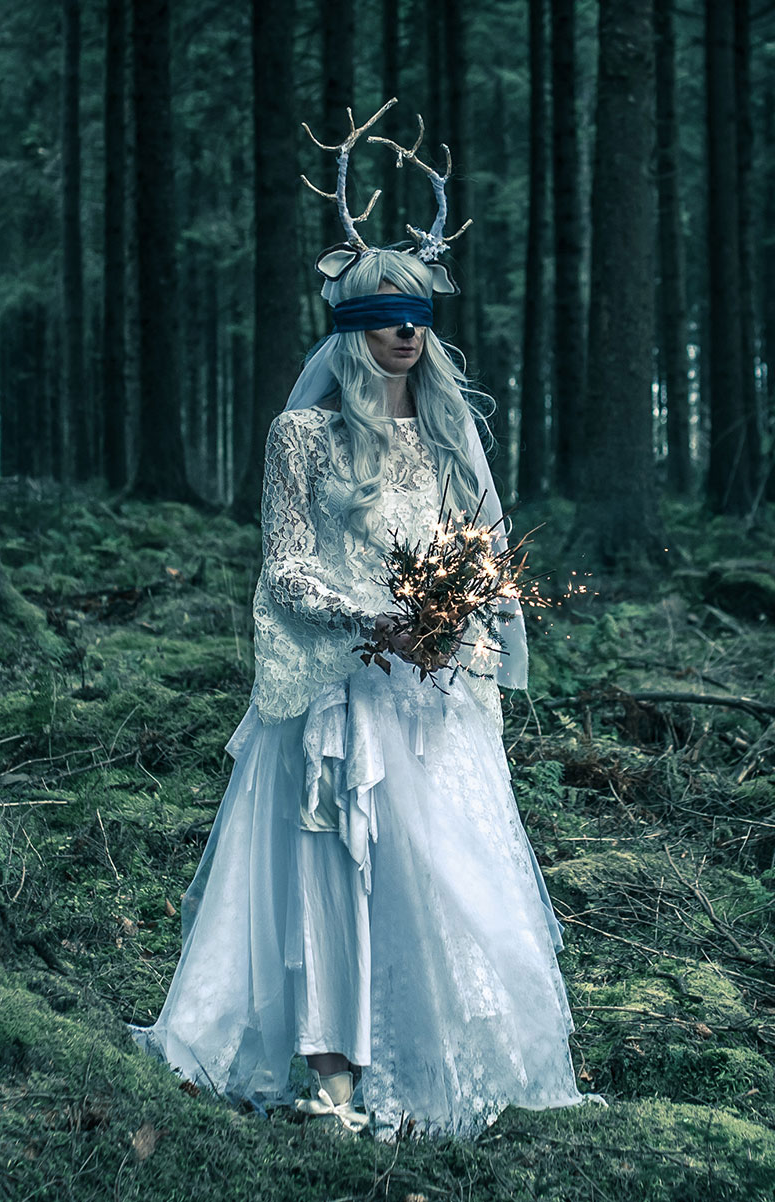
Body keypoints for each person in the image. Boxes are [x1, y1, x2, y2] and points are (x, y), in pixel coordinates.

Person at [126, 135, 608, 1138]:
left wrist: (456, 610)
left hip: (430, 694)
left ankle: (446, 1067)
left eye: (418, 318)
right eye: (385, 317)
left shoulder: (439, 442)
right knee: (329, 867)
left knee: (442, 871)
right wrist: (370, 617)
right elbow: (285, 564)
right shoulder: (300, 436)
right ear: (351, 327)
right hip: (336, 690)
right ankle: (329, 1074)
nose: (405, 334)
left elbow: (475, 552)